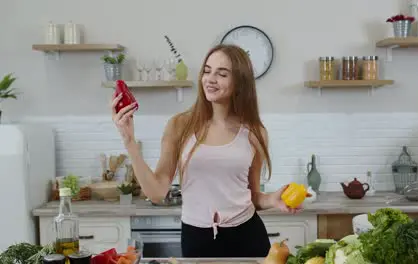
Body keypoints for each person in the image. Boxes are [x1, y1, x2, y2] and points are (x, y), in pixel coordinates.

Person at [111, 44, 308, 258]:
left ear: (239, 83)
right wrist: (129, 141)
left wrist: (272, 200)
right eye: (207, 71)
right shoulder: (180, 125)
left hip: (247, 235)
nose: (210, 79)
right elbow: (157, 192)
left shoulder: (254, 132)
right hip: (197, 237)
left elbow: (250, 195)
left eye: (221, 74)